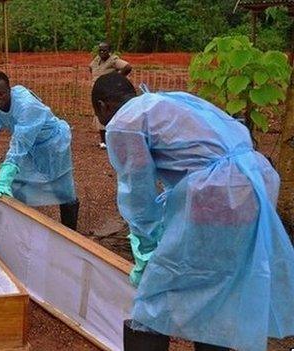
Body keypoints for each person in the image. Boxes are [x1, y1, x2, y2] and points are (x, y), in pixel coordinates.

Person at [92, 72, 294, 351]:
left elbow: (137, 190)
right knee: (219, 292)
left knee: (154, 299)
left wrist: (146, 246)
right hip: (256, 181)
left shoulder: (124, 123)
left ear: (104, 106)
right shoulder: (166, 101)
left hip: (219, 192)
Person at [0, 71, 80, 230]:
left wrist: (3, 177)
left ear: (9, 90)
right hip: (29, 146)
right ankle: (19, 230)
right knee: (17, 186)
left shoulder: (26, 105)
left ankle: (71, 232)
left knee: (61, 186)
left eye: (0, 94)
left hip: (52, 143)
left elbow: (19, 145)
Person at [89, 42, 131, 149]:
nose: (102, 52)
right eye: (100, 50)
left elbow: (127, 67)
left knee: (109, 114)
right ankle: (103, 141)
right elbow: (91, 68)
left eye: (105, 50)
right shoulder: (96, 60)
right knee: (99, 114)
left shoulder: (113, 60)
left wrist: (115, 78)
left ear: (109, 51)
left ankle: (113, 140)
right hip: (97, 92)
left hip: (109, 92)